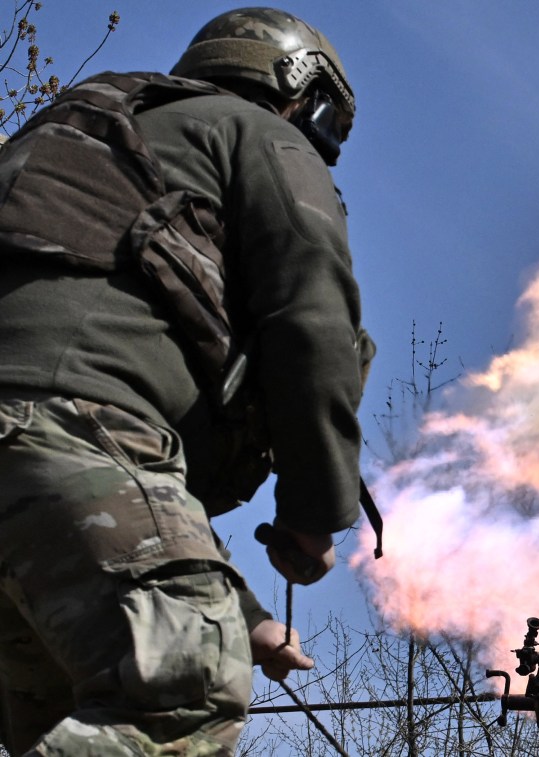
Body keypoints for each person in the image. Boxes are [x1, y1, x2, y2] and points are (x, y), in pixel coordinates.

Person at [0, 6, 375, 754]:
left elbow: (121, 516)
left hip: (39, 472)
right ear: (300, 89)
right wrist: (313, 510)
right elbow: (315, 322)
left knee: (71, 713)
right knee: (189, 684)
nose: (325, 150)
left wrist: (246, 616)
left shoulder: (69, 136)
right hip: (69, 425)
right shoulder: (258, 133)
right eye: (330, 127)